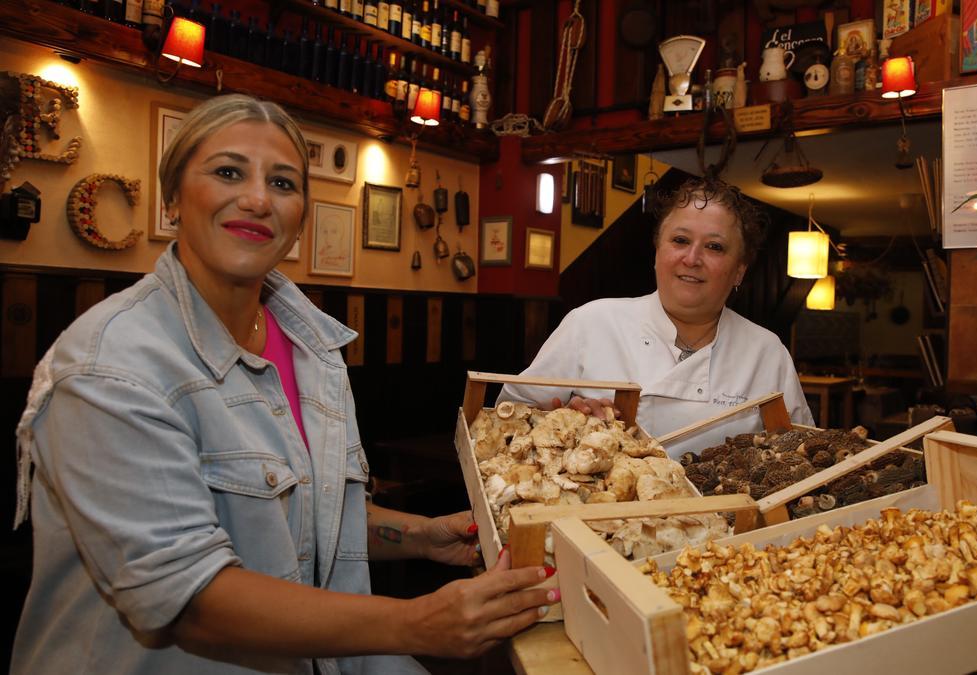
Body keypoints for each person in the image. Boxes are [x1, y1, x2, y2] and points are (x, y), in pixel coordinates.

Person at [11, 94, 554, 674]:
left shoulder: (311, 348)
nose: (256, 199)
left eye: (284, 183)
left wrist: (420, 536)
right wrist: (417, 624)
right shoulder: (111, 366)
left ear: (300, 217)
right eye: (227, 172)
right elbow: (187, 598)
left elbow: (298, 515)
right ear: (172, 198)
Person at [499, 178, 814, 458]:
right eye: (680, 240)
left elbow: (799, 453)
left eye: (715, 247)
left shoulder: (766, 352)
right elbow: (503, 421)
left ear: (739, 271)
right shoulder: (591, 323)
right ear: (657, 252)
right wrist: (562, 420)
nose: (691, 259)